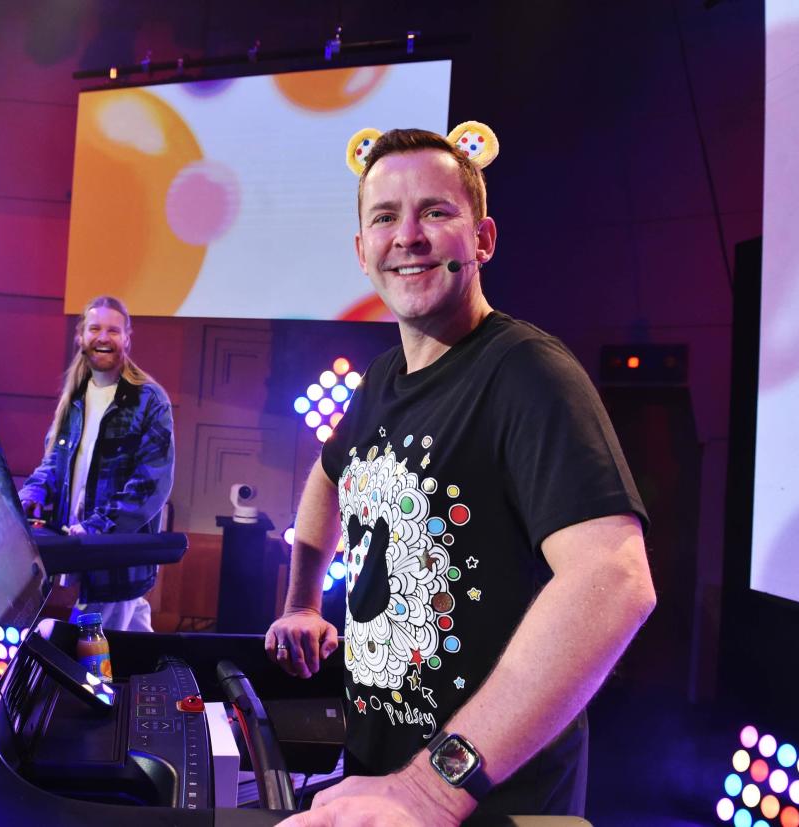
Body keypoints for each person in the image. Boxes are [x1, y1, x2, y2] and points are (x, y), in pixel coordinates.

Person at [266, 124, 656, 826]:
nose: (408, 235)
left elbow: (615, 580)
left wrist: (429, 788)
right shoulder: (383, 378)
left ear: (483, 240)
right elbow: (329, 476)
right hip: (382, 791)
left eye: (436, 212)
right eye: (385, 217)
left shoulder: (529, 372)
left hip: (490, 807)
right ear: (362, 252)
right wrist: (301, 601)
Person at [19, 295, 174, 633]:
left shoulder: (149, 399)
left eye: (113, 330)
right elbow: (53, 464)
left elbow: (150, 484)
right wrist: (28, 494)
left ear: (127, 338)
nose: (103, 337)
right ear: (81, 337)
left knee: (84, 650)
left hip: (114, 557)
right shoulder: (74, 396)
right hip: (81, 551)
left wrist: (97, 529)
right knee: (133, 647)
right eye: (95, 328)